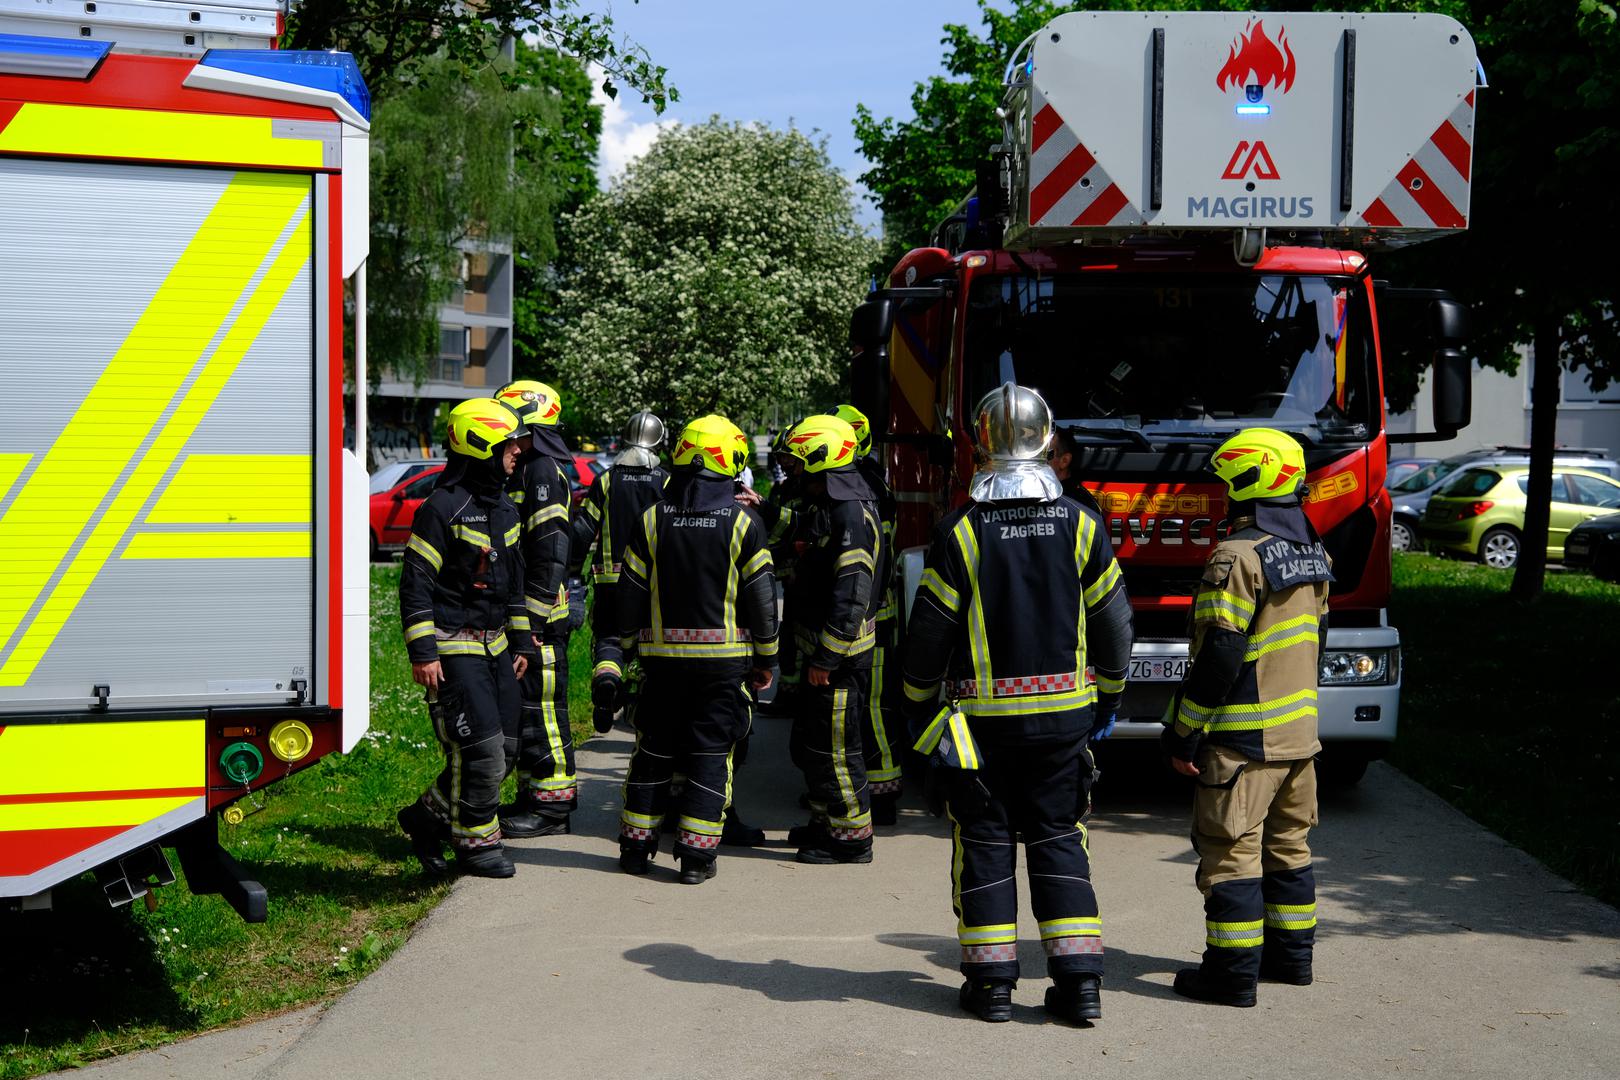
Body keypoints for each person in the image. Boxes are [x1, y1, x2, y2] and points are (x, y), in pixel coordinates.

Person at [901, 382, 1132, 1024]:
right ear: (1048, 439)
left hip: (979, 733)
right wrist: (1108, 696)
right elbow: (1114, 625)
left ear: (980, 444)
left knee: (985, 842)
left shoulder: (962, 532)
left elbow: (928, 639)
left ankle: (993, 987)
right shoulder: (1083, 525)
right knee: (1060, 838)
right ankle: (1080, 985)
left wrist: (917, 711)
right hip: (1065, 724)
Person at [1160, 427, 1331, 1008]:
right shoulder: (1313, 549)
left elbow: (1220, 655)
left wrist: (1183, 731)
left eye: (1229, 483)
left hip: (1242, 740)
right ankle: (1292, 962)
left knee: (1231, 851)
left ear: (1247, 482)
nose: (1224, 494)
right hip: (1300, 737)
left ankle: (1230, 975)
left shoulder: (1236, 557)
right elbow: (1317, 641)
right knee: (1290, 848)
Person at [603, 414, 778, 884]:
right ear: (731, 461)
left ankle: (636, 848)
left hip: (660, 666)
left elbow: (630, 595)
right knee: (710, 754)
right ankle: (696, 859)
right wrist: (767, 658)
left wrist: (623, 649)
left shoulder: (653, 519)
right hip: (723, 667)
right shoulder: (745, 523)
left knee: (653, 751)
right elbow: (762, 600)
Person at [396, 398, 535, 879]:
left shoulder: (506, 510)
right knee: (480, 751)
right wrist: (423, 652)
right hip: (453, 647)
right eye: (510, 443)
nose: (519, 451)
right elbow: (415, 582)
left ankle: (423, 819)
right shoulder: (442, 508)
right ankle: (476, 846)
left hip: (497, 647)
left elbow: (513, 586)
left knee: (509, 748)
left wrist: (520, 643)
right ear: (481, 445)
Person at [781, 414, 887, 865]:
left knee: (839, 753)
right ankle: (826, 823)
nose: (794, 474)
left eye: (800, 464)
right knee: (817, 749)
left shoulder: (849, 513)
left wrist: (826, 655)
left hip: (838, 662)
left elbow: (852, 593)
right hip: (824, 657)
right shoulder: (834, 507)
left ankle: (851, 840)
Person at [494, 379, 577, 837]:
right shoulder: (529, 468)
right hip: (527, 616)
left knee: (543, 711)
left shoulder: (542, 470)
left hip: (539, 619)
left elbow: (550, 552)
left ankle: (553, 808)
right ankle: (534, 797)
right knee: (528, 712)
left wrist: (536, 621)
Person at [569, 410, 669, 733]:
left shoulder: (606, 480)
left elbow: (583, 531)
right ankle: (643, 706)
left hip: (610, 584)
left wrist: (571, 575)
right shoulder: (666, 481)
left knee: (609, 640)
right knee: (647, 644)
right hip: (652, 585)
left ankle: (607, 682)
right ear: (658, 443)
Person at [834, 403, 904, 826]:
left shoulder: (863, 485)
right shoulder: (871, 479)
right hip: (878, 609)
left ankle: (884, 793)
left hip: (873, 614)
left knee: (873, 706)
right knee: (871, 704)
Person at [1047, 426, 1104, 516]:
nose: (1032, 461)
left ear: (1065, 461)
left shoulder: (1082, 506)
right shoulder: (1028, 494)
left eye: (1043, 454)